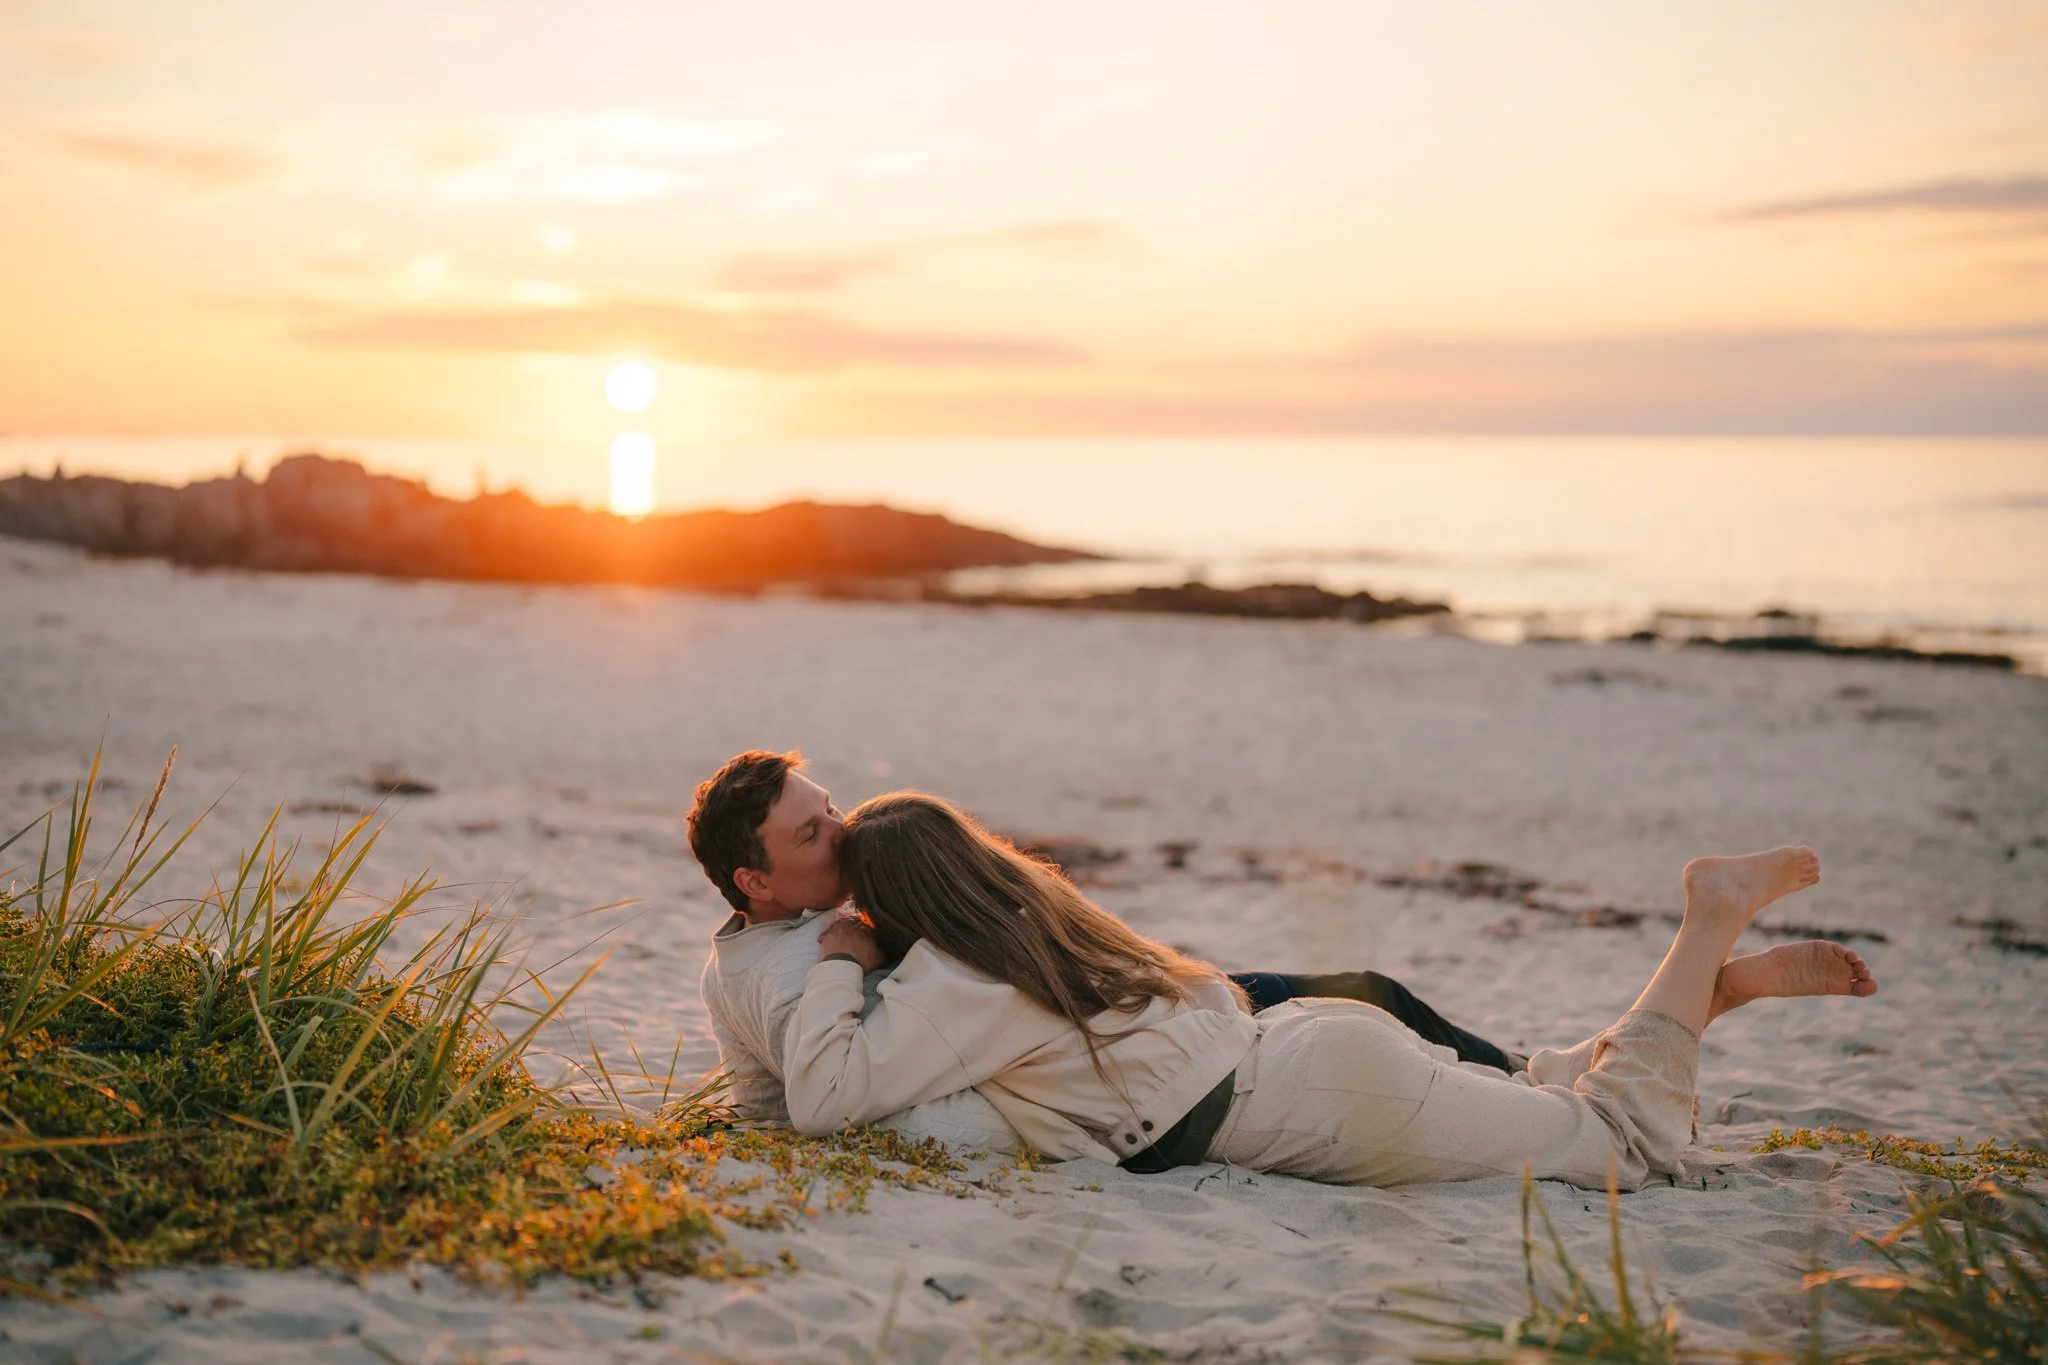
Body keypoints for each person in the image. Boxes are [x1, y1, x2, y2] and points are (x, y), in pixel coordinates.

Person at [784, 791, 1879, 1189]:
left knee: (1621, 1150)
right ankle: (1704, 995)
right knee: (1560, 1110)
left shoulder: (947, 976)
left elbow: (827, 1100)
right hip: (1303, 1050)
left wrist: (842, 960)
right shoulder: (1043, 922)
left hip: (1321, 1104)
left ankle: (1707, 917)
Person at [687, 750, 1519, 1153]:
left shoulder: (789, 931)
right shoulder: (801, 960)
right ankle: (1517, 1078)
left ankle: (1516, 1073)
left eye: (829, 807)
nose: (843, 828)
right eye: (813, 830)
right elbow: (824, 1088)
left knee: (1367, 992)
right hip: (1092, 1045)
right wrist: (849, 958)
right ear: (754, 879)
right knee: (1363, 994)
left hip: (1081, 1016)